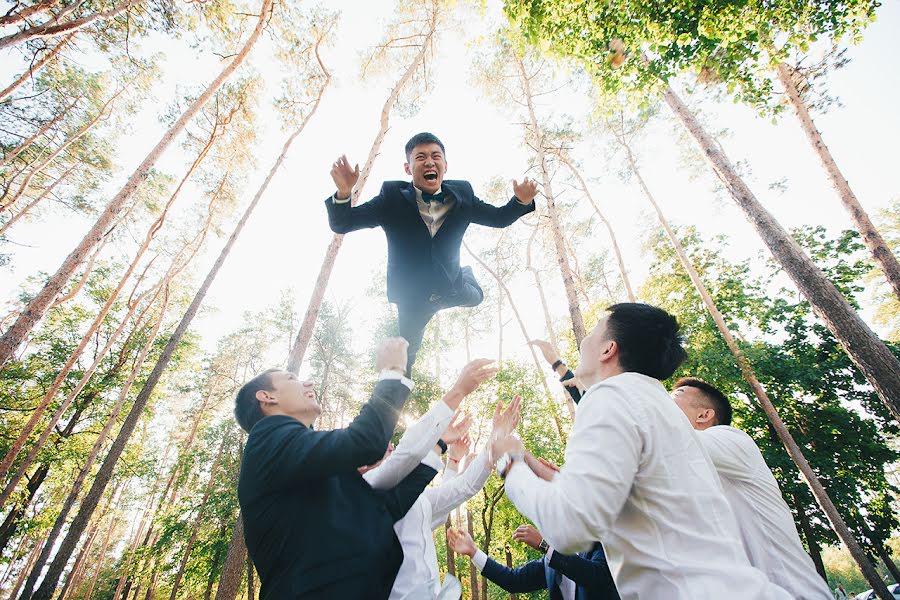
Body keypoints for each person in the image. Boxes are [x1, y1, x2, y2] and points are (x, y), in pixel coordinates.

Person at [491, 303, 792, 599]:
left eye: (593, 330)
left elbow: (568, 525)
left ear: (608, 349)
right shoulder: (657, 407)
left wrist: (510, 462)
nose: (583, 340)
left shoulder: (611, 395)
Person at [235, 338, 458, 599]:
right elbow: (366, 440)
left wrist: (438, 446)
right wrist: (391, 372)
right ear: (266, 396)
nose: (308, 383)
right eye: (292, 378)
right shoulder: (267, 439)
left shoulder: (307, 465)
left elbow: (384, 511)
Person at [326, 132, 537, 373]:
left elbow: (499, 218)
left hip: (453, 286)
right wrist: (343, 193)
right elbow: (343, 223)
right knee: (405, 356)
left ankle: (466, 273)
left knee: (477, 297)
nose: (429, 162)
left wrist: (519, 201)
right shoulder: (391, 197)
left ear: (445, 166)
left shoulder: (463, 194)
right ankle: (393, 399)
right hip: (412, 298)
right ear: (408, 167)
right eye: (421, 157)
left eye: (436, 156)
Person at [671, 377, 833, 600]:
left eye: (674, 397)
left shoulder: (730, 439)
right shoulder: (684, 474)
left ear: (704, 415)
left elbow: (665, 439)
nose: (664, 402)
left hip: (793, 593)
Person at [390, 396, 521, 600]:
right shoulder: (367, 505)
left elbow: (461, 488)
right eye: (386, 447)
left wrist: (494, 437)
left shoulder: (416, 499)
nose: (391, 448)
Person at [448, 524, 619, 600]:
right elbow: (513, 581)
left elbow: (596, 577)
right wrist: (473, 552)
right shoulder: (549, 564)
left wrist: (545, 545)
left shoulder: (599, 544)